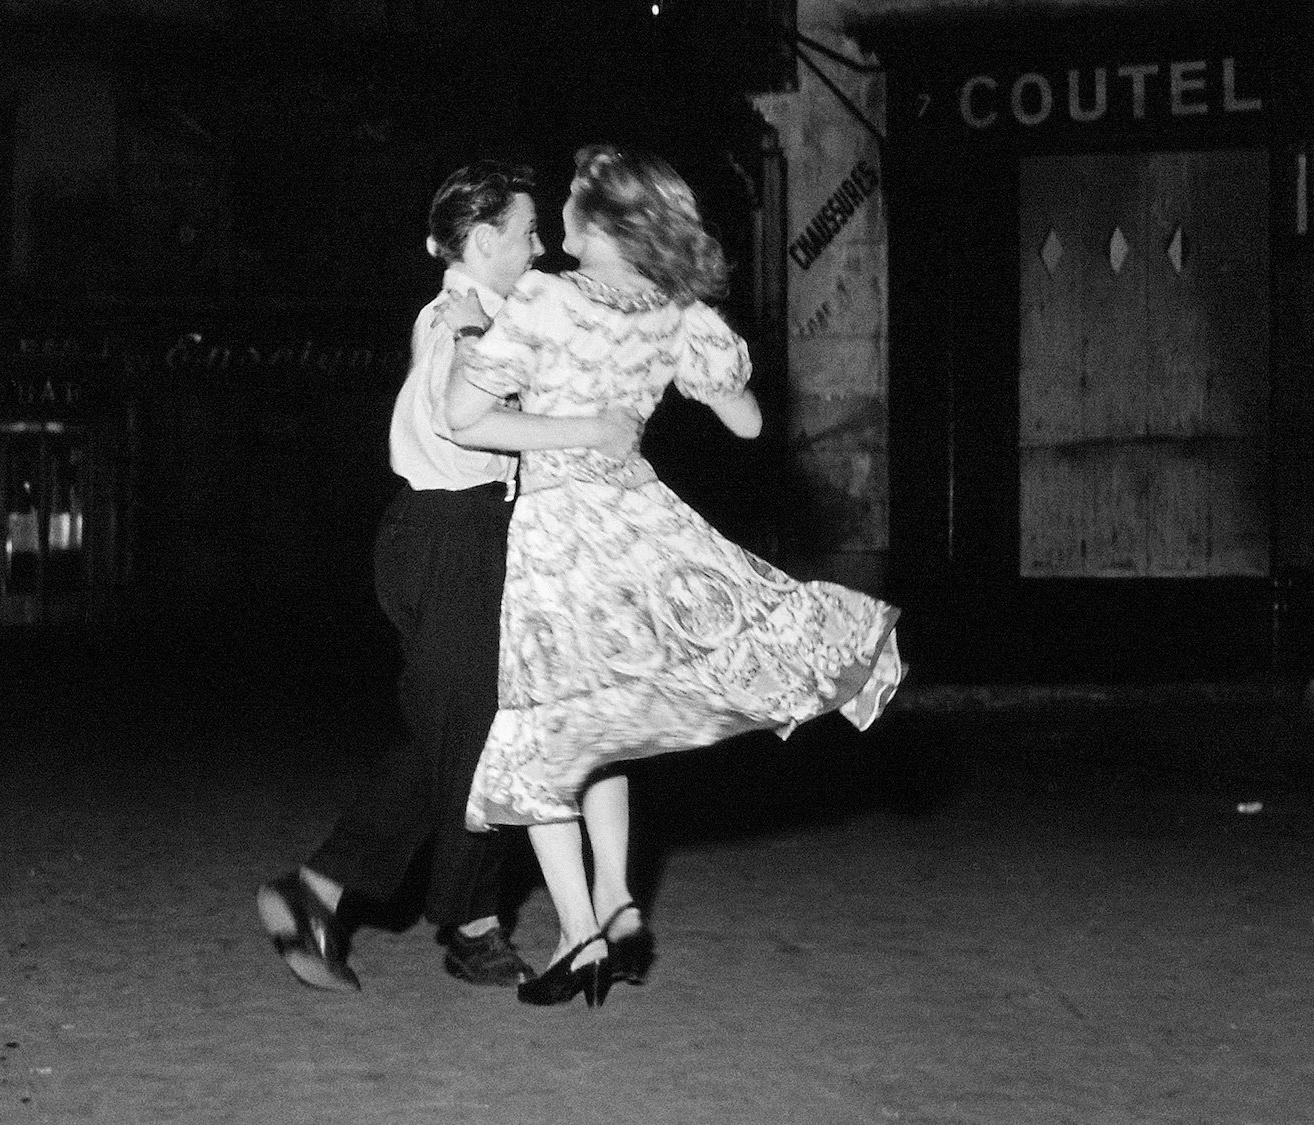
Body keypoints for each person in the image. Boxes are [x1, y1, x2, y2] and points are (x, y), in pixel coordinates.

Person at [441, 144, 905, 1009]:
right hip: (643, 529)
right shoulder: (676, 311)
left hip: (562, 538)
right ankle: (616, 900)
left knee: (547, 734)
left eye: (573, 205)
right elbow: (747, 420)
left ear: (604, 225)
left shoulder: (543, 300)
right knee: (603, 722)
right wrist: (661, 369)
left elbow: (464, 421)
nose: (561, 219)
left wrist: (579, 424)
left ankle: (579, 930)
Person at [257, 160, 642, 992]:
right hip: (449, 533)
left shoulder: (487, 313)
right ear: (481, 240)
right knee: (474, 733)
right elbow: (466, 426)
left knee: (455, 732)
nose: (541, 245)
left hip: (466, 534)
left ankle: (327, 890)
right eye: (527, 231)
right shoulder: (455, 322)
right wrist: (585, 427)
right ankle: (464, 921)